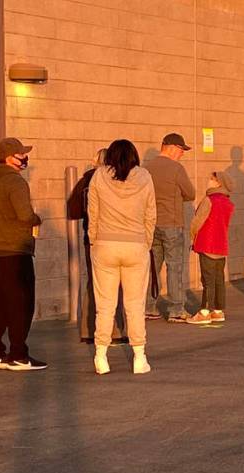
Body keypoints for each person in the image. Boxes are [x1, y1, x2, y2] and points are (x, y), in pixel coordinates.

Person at [88, 139, 157, 375]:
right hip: (136, 244)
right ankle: (139, 357)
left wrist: (93, 240)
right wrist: (146, 241)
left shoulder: (98, 176)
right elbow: (151, 214)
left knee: (104, 306)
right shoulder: (145, 177)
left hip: (105, 244)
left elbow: (93, 213)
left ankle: (101, 356)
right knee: (135, 305)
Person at [0, 137, 46, 371]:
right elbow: (25, 215)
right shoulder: (15, 182)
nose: (25, 158)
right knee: (22, 302)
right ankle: (18, 353)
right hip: (15, 248)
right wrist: (37, 219)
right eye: (21, 155)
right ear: (10, 158)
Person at [68, 148, 128, 345]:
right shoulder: (115, 180)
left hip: (90, 239)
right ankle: (115, 331)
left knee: (93, 283)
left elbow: (73, 209)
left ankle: (88, 330)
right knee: (114, 284)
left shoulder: (85, 180)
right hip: (113, 237)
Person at [144, 133, 196, 322]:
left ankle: (149, 307)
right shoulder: (176, 168)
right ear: (172, 147)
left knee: (153, 268)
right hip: (172, 223)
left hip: (152, 225)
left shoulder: (146, 169)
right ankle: (176, 309)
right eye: (181, 150)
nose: (182, 154)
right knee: (175, 267)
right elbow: (190, 193)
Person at [187, 171, 235, 325]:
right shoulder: (228, 203)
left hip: (207, 244)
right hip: (221, 245)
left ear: (219, 183)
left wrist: (192, 235)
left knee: (207, 279)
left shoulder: (209, 200)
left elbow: (197, 221)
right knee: (218, 278)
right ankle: (218, 310)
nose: (209, 181)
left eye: (212, 179)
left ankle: (205, 311)